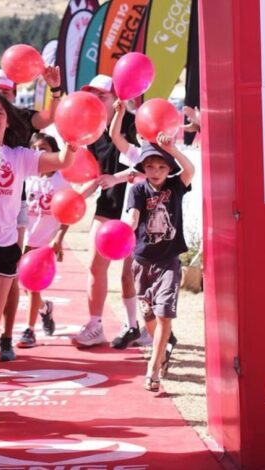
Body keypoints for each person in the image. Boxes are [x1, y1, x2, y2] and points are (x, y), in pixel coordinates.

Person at [0, 93, 74, 427]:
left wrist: (74, 132)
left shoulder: (21, 156)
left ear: (8, 121)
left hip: (4, 250)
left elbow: (65, 161)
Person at [0, 68, 65, 362]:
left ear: (14, 95)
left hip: (14, 204)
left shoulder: (23, 119)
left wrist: (56, 91)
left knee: (11, 274)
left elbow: (49, 117)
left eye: (6, 92)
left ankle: (6, 337)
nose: (1, 97)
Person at [70, 74, 142, 349]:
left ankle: (138, 326)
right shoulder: (92, 130)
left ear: (116, 97)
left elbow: (151, 165)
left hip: (138, 206)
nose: (97, 99)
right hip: (108, 204)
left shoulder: (135, 123)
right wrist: (79, 196)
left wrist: (118, 178)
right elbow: (98, 173)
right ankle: (95, 324)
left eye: (102, 95)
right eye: (93, 94)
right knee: (95, 265)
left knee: (131, 274)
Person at [123, 135, 194, 391]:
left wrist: (171, 149)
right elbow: (133, 217)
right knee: (148, 316)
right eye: (150, 166)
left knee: (164, 314)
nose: (155, 171)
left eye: (162, 166)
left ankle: (153, 368)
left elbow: (190, 170)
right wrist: (124, 230)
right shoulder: (138, 190)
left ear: (169, 169)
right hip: (141, 261)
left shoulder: (175, 186)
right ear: (143, 167)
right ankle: (163, 347)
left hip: (169, 261)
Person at [16, 133, 69, 348]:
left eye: (44, 147)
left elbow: (70, 211)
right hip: (21, 239)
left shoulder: (61, 181)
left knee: (32, 285)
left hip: (44, 243)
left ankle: (29, 330)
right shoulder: (26, 177)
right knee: (23, 286)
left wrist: (59, 237)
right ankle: (45, 308)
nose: (39, 151)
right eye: (35, 148)